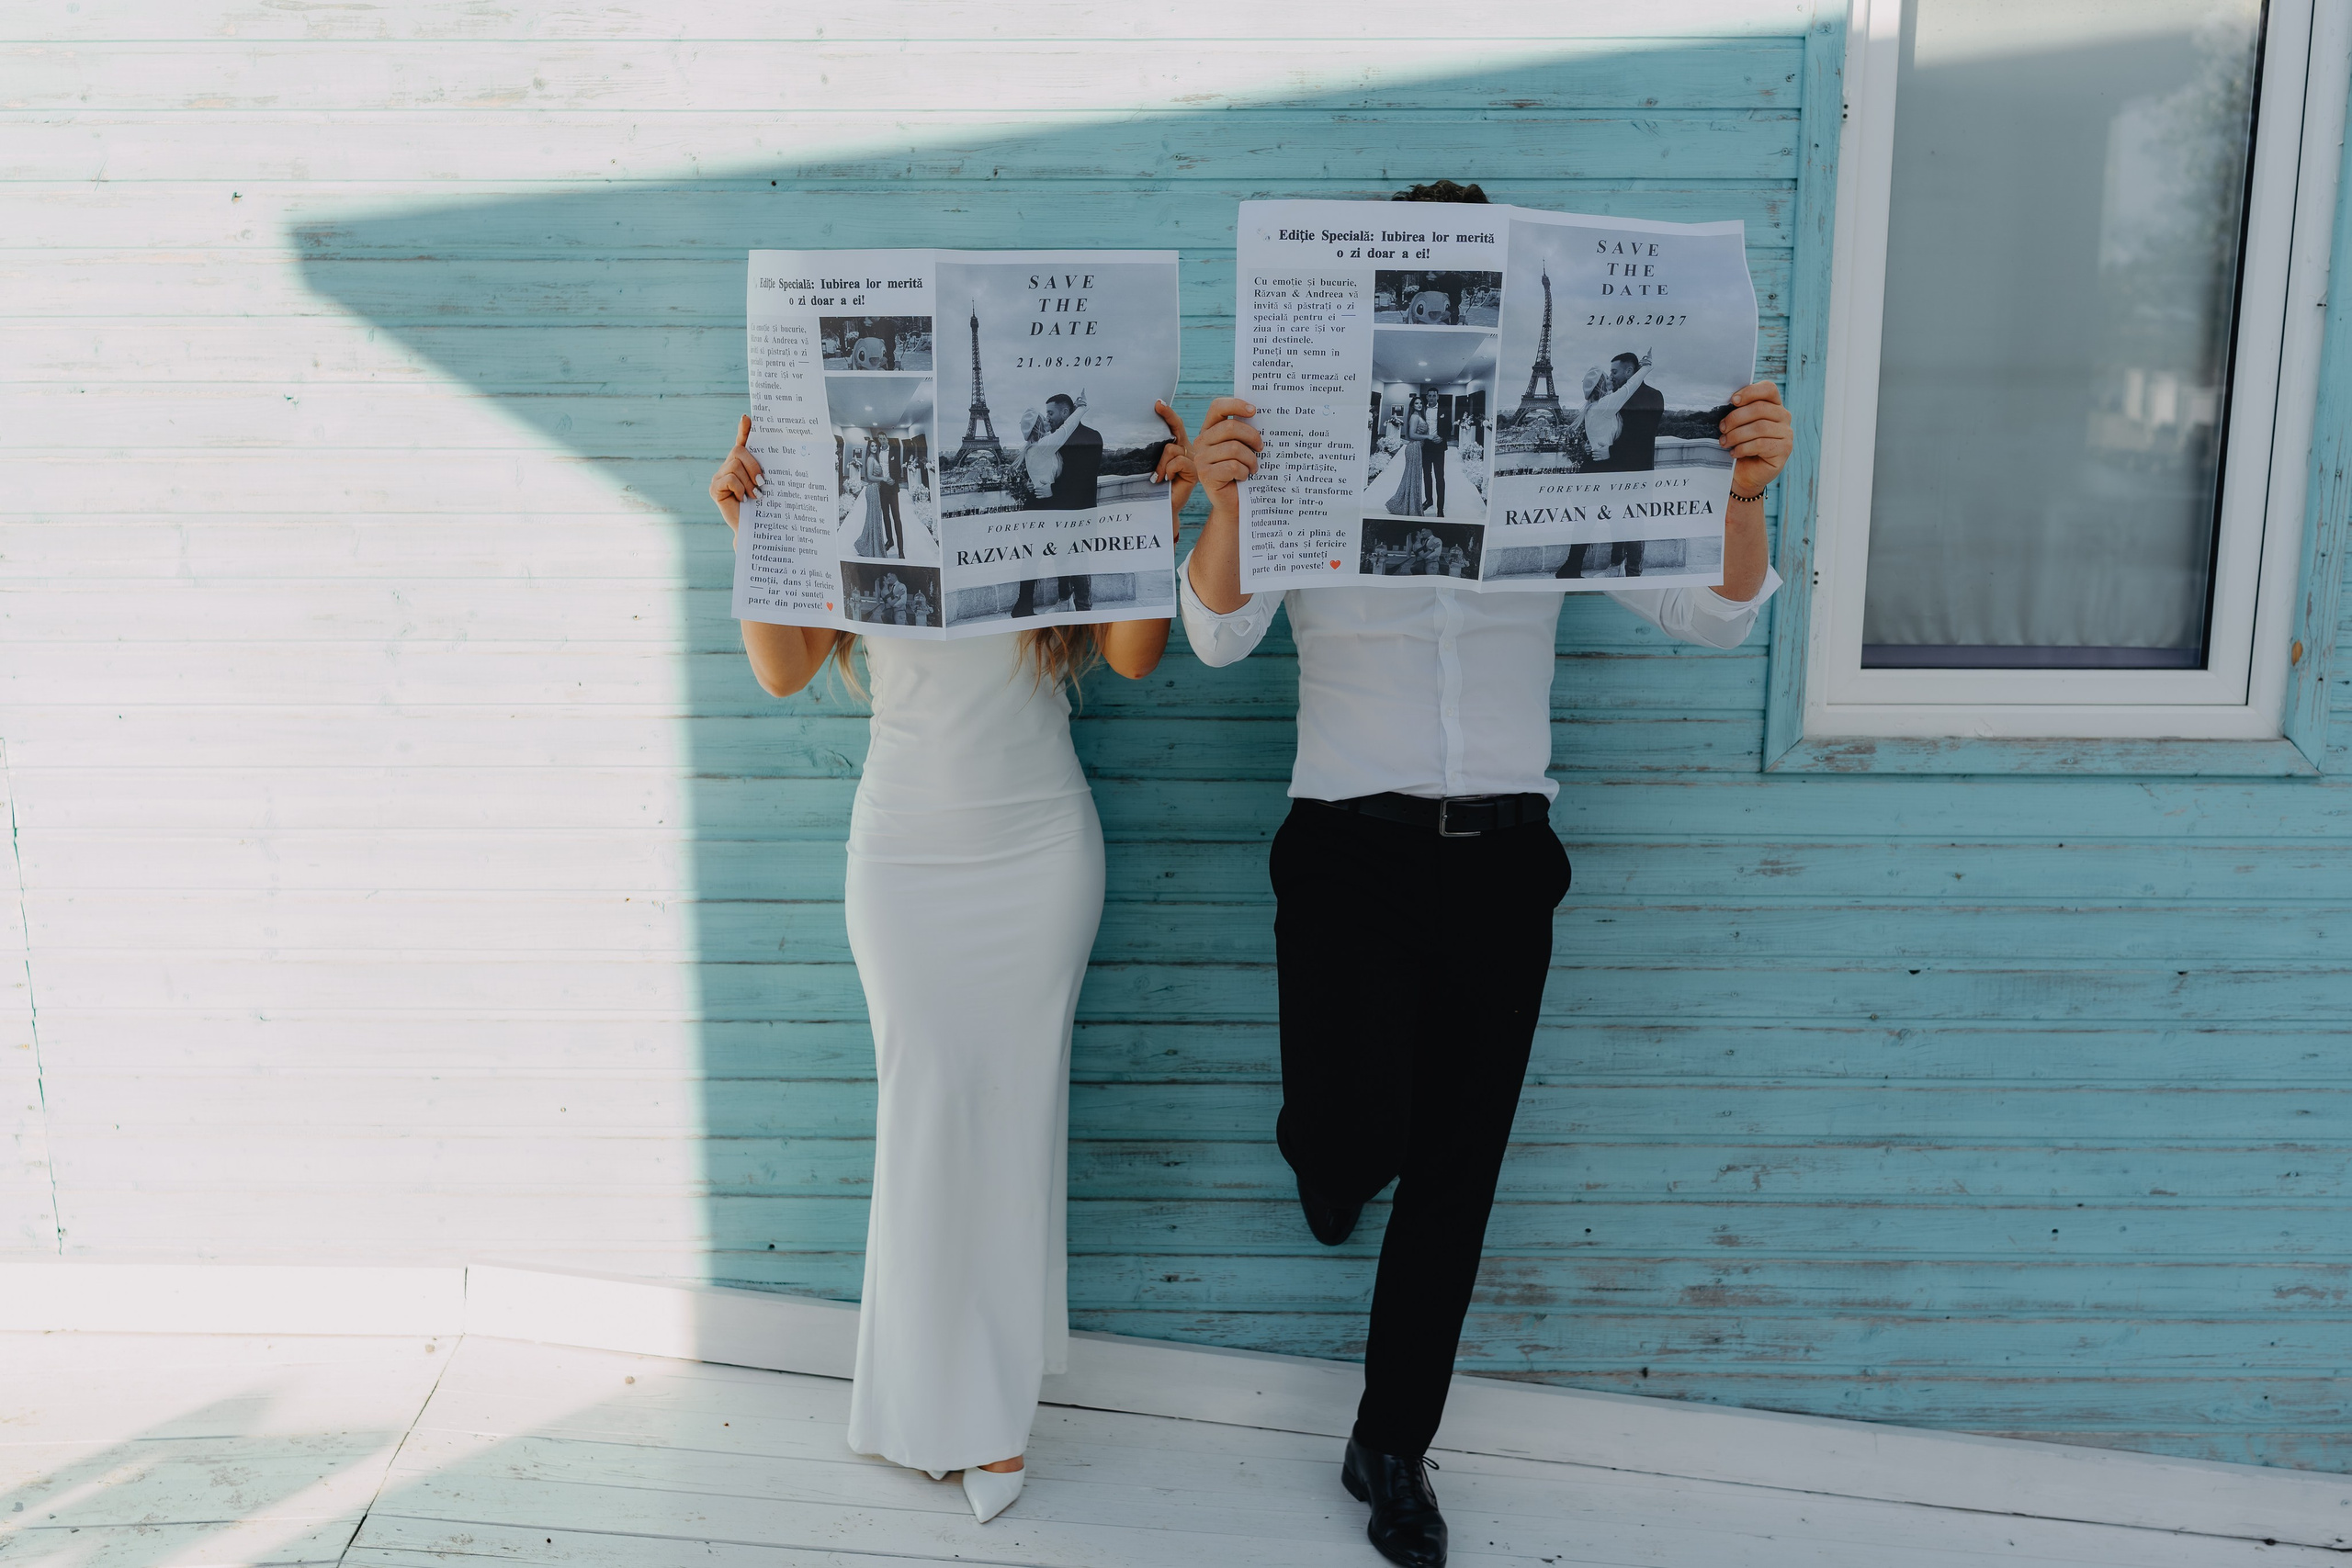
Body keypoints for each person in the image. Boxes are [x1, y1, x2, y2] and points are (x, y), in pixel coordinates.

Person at [1179, 180, 1793, 1568]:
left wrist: (1741, 493)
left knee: (1459, 1168)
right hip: (1345, 848)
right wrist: (1225, 500)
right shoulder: (1300, 439)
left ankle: (1391, 1442)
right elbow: (1215, 638)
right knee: (1355, 1133)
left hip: (1506, 858)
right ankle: (1331, 1155)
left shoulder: (1556, 443)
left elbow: (1710, 611)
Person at [707, 402, 1196, 1526]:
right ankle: (916, 1399)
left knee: (1013, 1122)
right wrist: (750, 528)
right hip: (904, 854)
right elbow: (784, 673)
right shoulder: (860, 499)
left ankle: (988, 1418)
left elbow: (1132, 658)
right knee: (922, 1119)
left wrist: (1155, 523)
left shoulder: (1057, 493)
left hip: (1037, 853)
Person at [1385, 397, 1429, 516]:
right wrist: (1428, 437)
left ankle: (1410, 506)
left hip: (1417, 448)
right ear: (1413, 405)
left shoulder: (1419, 416)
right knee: (1412, 477)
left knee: (1413, 478)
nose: (1419, 405)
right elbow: (1412, 434)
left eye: (1420, 403)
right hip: (1414, 448)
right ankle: (1404, 505)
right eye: (1416, 403)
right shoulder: (1415, 416)